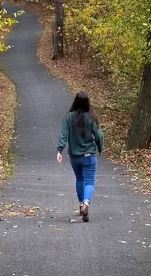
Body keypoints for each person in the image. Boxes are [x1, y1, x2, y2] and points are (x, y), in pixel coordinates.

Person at [56, 92, 104, 222]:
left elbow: (63, 134)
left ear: (75, 102)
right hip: (89, 155)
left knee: (79, 179)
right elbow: (98, 135)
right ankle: (86, 203)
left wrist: (59, 150)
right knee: (89, 181)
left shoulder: (69, 117)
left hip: (75, 157)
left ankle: (81, 204)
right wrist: (100, 147)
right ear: (87, 103)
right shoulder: (91, 117)